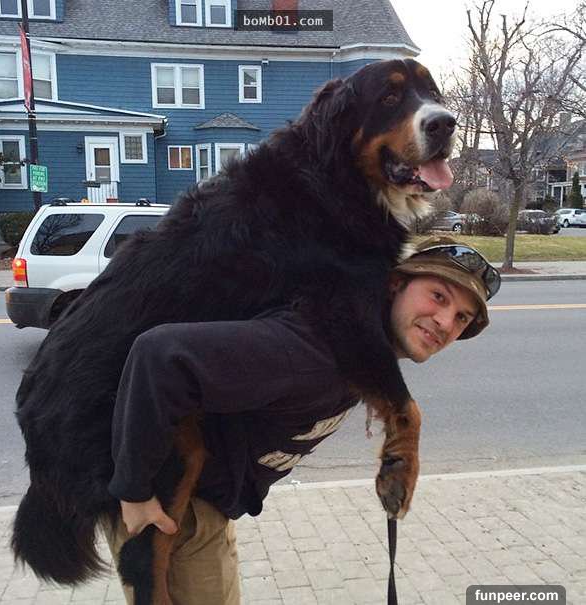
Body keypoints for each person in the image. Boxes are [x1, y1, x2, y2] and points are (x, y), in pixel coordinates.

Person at [104, 235, 501, 605]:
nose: (445, 322)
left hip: (207, 501)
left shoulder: (357, 341)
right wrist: (133, 492)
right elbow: (160, 355)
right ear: (396, 284)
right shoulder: (311, 353)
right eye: (438, 296)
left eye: (462, 318)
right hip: (171, 511)